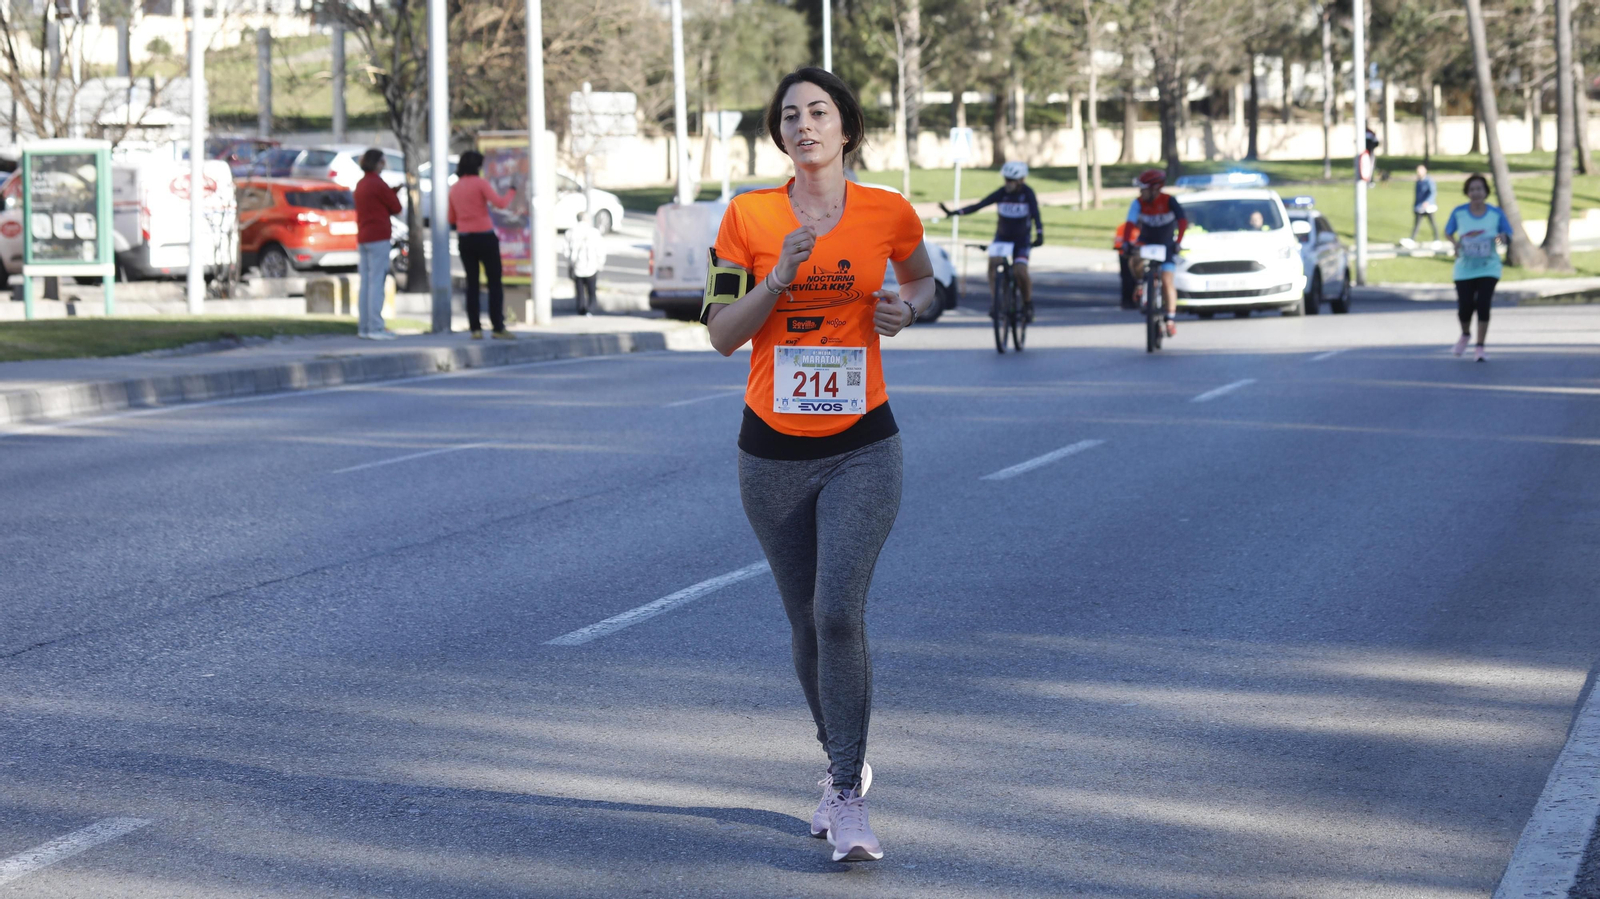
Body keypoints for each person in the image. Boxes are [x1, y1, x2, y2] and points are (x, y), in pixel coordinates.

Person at [700, 66, 935, 864]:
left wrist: (909, 309)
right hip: (770, 450)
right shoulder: (749, 216)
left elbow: (923, 281)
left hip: (864, 443)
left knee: (838, 611)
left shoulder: (888, 212)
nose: (804, 125)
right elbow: (721, 332)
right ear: (780, 134)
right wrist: (777, 278)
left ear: (847, 128)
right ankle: (839, 752)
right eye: (790, 115)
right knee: (804, 619)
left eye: (819, 112)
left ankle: (846, 794)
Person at [938, 160, 1043, 321]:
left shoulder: (1027, 193)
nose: (1007, 183)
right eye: (1006, 180)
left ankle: (1028, 303)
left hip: (1022, 239)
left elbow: (1036, 215)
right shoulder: (1002, 193)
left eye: (1011, 180)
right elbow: (980, 205)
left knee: (1020, 271)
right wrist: (955, 212)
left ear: (1021, 180)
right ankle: (996, 302)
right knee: (993, 263)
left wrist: (1040, 235)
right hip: (1003, 237)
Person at [448, 151, 517, 339]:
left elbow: (451, 218)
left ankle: (475, 329)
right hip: (485, 236)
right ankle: (497, 327)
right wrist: (512, 191)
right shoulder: (480, 183)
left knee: (472, 284)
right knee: (494, 282)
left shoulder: (454, 188)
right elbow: (500, 203)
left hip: (465, 238)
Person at [1445, 173, 1513, 362]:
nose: (1476, 193)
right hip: (1464, 268)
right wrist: (1455, 244)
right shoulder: (1459, 212)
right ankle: (1465, 334)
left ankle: (1480, 346)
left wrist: (1501, 238)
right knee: (1465, 307)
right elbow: (1448, 232)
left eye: (1479, 189)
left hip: (1488, 267)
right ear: (1467, 192)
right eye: (1472, 189)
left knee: (1483, 304)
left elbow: (1506, 234)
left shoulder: (1495, 213)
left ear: (1486, 192)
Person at [1125, 168, 1188, 337]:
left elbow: (1182, 221)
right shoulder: (1138, 203)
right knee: (1134, 259)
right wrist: (1127, 242)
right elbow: (1129, 223)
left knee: (1167, 280)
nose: (1140, 192)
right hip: (1146, 241)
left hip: (1166, 244)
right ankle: (1140, 284)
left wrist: (1178, 242)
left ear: (1154, 189)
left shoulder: (1169, 201)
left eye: (1143, 189)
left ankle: (1170, 319)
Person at [353, 148, 402, 340]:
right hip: (378, 237)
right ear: (376, 163)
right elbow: (396, 207)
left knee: (366, 283)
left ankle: (365, 326)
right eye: (382, 162)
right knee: (376, 283)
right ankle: (375, 326)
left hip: (364, 236)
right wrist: (393, 193)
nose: (384, 165)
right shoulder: (378, 183)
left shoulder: (361, 184)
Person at [564, 217, 606, 316]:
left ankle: (581, 309)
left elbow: (566, 251)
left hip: (577, 266)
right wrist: (600, 263)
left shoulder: (571, 232)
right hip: (591, 266)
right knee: (591, 291)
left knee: (580, 291)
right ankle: (591, 309)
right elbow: (600, 250)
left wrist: (570, 263)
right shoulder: (594, 232)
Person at [1411, 165, 1439, 243]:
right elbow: (1417, 195)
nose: (1418, 173)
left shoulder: (1429, 181)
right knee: (1416, 224)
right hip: (1419, 207)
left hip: (1428, 206)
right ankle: (1412, 239)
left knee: (1432, 223)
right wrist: (1415, 206)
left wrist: (1427, 201)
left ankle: (1437, 239)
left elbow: (1432, 192)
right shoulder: (1418, 181)